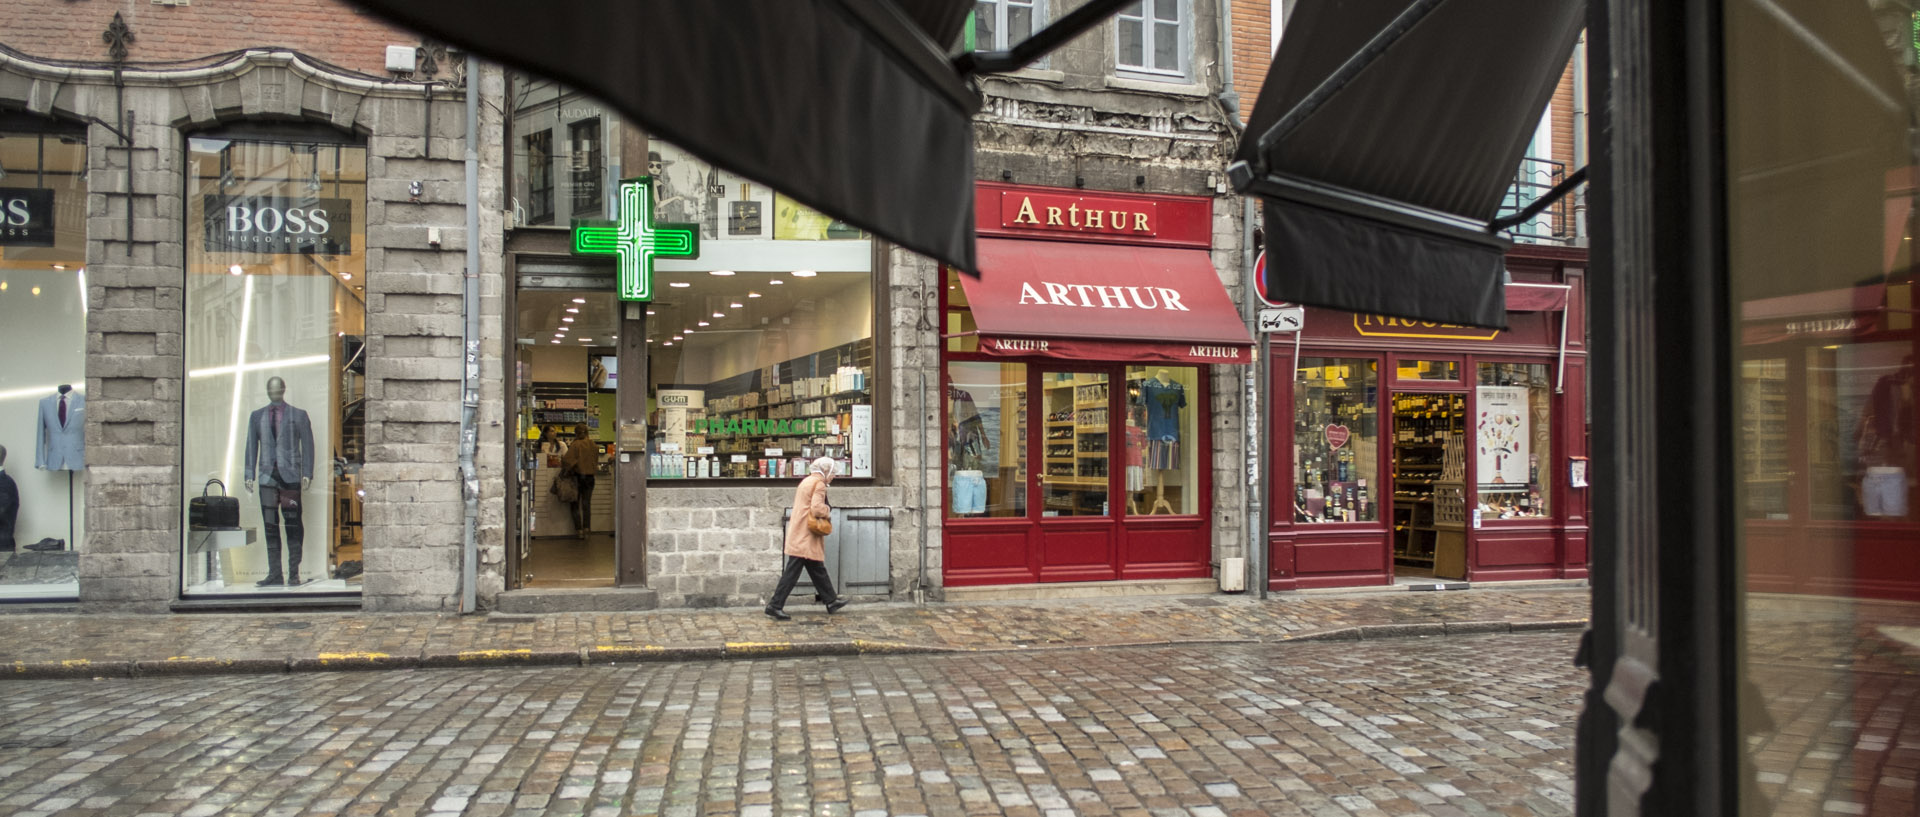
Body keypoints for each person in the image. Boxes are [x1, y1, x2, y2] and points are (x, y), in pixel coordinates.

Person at [765, 456, 848, 620]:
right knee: (793, 571)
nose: (834, 476)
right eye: (833, 473)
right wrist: (828, 511)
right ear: (826, 471)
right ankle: (774, 605)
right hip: (807, 532)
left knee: (816, 567)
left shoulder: (807, 481)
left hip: (800, 529)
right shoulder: (819, 484)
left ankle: (831, 601)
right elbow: (817, 509)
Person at [559, 423, 599, 534]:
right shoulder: (594, 445)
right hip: (590, 478)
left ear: (576, 433)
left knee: (575, 504)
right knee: (586, 504)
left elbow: (567, 461)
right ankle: (587, 528)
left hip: (578, 477)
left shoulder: (576, 445)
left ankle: (579, 530)